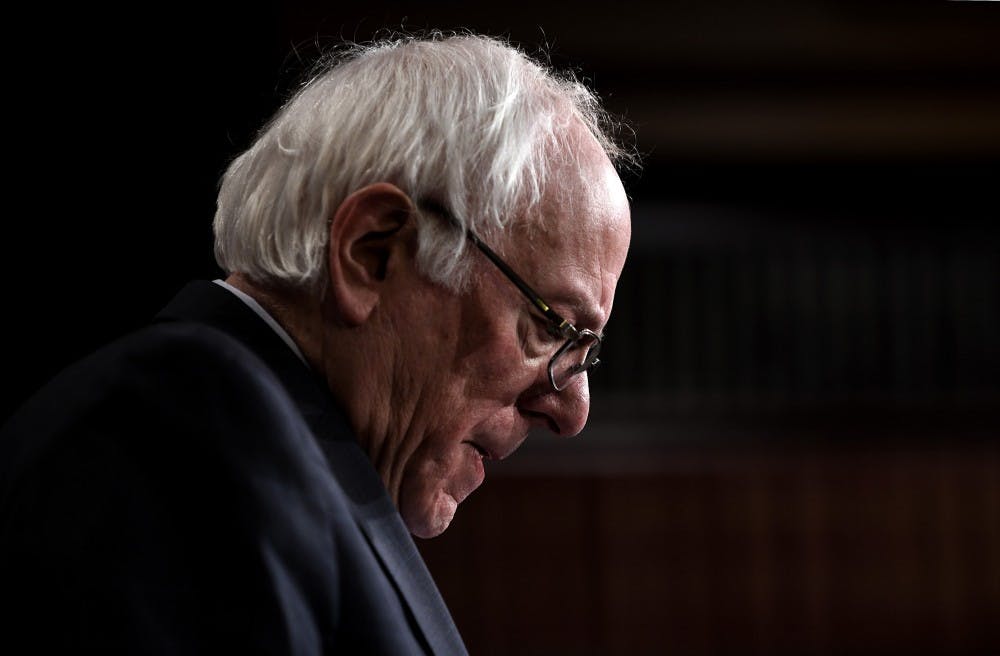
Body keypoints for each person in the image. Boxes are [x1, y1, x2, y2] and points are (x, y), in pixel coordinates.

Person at [0, 33, 632, 654]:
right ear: (371, 253)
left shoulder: (279, 451)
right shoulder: (184, 422)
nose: (572, 410)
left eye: (586, 352)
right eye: (553, 327)